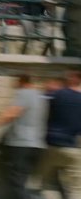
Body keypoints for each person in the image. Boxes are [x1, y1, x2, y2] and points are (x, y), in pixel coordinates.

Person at [0, 75, 47, 199]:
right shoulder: (41, 96)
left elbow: (11, 113)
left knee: (15, 183)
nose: (14, 86)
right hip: (37, 144)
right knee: (21, 181)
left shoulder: (24, 93)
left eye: (15, 83)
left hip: (21, 144)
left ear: (22, 82)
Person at [35, 70, 81, 199]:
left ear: (73, 79)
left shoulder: (57, 94)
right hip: (75, 148)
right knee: (76, 188)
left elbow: (39, 101)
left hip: (52, 144)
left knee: (47, 183)